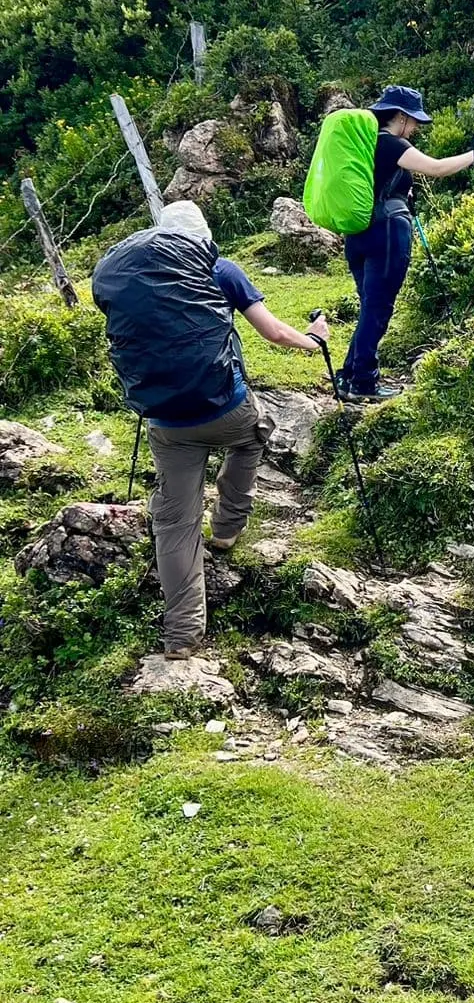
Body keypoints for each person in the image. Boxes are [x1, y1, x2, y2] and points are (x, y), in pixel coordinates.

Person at [92, 201, 330, 660]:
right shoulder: (220, 269)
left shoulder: (132, 282)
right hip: (225, 407)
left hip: (165, 421)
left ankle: (181, 635)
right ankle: (228, 525)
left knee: (175, 521)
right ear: (202, 237)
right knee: (254, 433)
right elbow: (274, 333)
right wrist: (314, 339)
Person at [337, 85, 474, 401]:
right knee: (378, 307)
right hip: (386, 235)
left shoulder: (363, 145)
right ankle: (364, 383)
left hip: (357, 233)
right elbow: (436, 169)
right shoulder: (392, 144)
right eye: (414, 122)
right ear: (400, 116)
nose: (416, 129)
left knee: (370, 306)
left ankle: (349, 376)